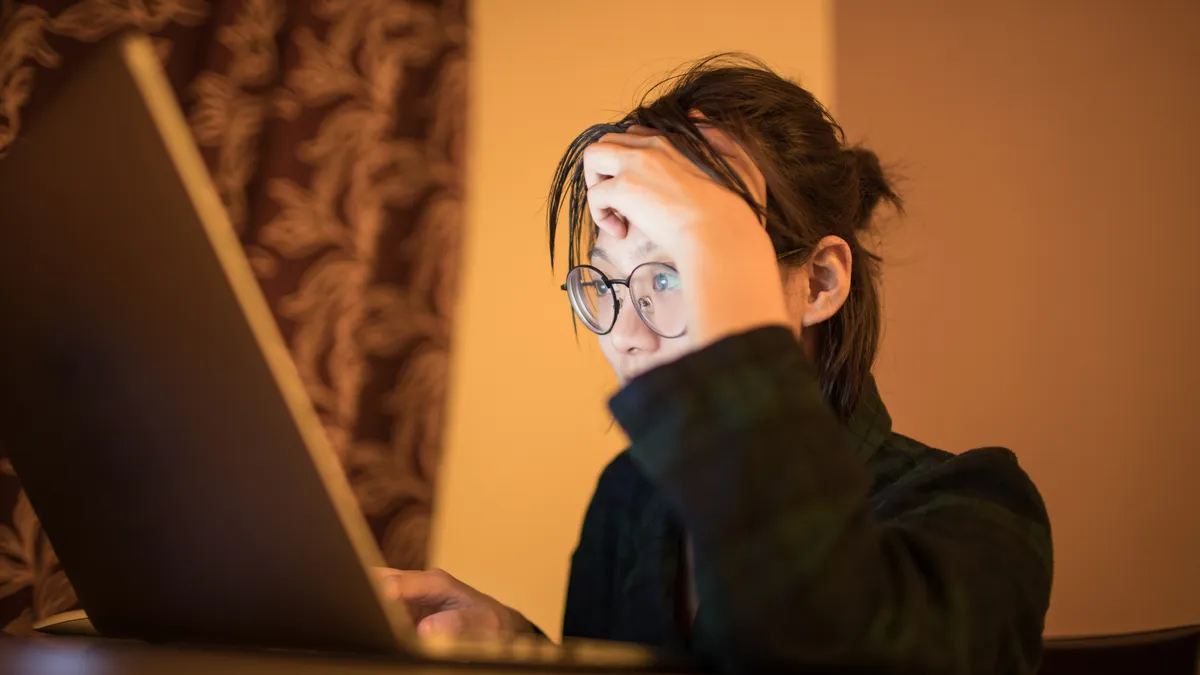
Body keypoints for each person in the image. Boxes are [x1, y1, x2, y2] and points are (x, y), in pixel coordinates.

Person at [379, 55, 1053, 674]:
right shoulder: (629, 494)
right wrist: (519, 648)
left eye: (672, 277)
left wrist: (714, 238)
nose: (630, 335)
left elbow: (820, 641)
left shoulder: (975, 509)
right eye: (610, 287)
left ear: (818, 281)